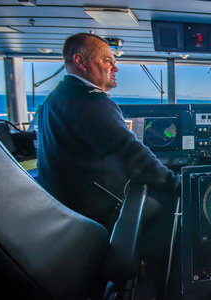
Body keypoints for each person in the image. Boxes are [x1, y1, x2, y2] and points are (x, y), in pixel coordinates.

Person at [37, 33, 181, 231]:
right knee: (168, 206)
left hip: (63, 206)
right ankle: (152, 259)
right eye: (107, 61)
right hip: (96, 212)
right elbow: (133, 156)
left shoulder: (55, 97)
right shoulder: (92, 102)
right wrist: (177, 185)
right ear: (80, 61)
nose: (115, 68)